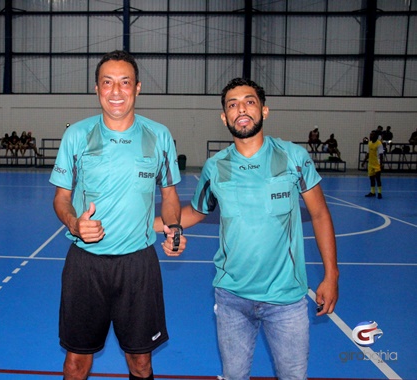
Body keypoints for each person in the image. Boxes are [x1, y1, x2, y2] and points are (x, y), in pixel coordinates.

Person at [156, 78, 339, 380]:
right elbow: (195, 213)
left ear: (264, 111)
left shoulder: (293, 158)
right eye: (232, 104)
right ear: (224, 117)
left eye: (249, 101)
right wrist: (141, 224)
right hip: (232, 299)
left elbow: (320, 214)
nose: (241, 109)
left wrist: (332, 275)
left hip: (286, 300)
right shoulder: (215, 167)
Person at [49, 50, 182, 380]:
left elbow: (169, 196)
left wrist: (174, 226)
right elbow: (61, 198)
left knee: (141, 363)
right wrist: (74, 224)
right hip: (85, 265)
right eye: (107, 83)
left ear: (138, 88)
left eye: (124, 82)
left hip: (138, 265)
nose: (116, 91)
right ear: (96, 88)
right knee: (76, 362)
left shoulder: (159, 136)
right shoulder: (77, 135)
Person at [362, 130, 384, 199]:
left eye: (372, 135)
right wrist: (364, 161)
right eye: (370, 134)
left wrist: (381, 164)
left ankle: (379, 193)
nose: (370, 136)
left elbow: (381, 155)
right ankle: (372, 192)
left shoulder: (379, 144)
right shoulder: (369, 143)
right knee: (371, 179)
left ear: (376, 136)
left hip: (377, 164)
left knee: (378, 179)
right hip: (370, 164)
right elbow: (368, 154)